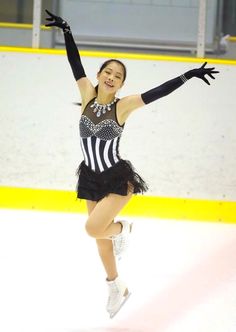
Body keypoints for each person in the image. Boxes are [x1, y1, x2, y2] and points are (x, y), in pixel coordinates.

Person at [45, 9, 219, 318]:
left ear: (121, 83)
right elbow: (74, 63)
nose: (112, 77)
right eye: (108, 72)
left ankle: (123, 228)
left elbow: (157, 93)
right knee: (100, 238)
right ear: (99, 75)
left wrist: (188, 75)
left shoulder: (123, 107)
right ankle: (116, 286)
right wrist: (67, 31)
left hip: (115, 178)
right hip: (89, 177)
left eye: (118, 76)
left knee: (93, 229)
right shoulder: (86, 93)